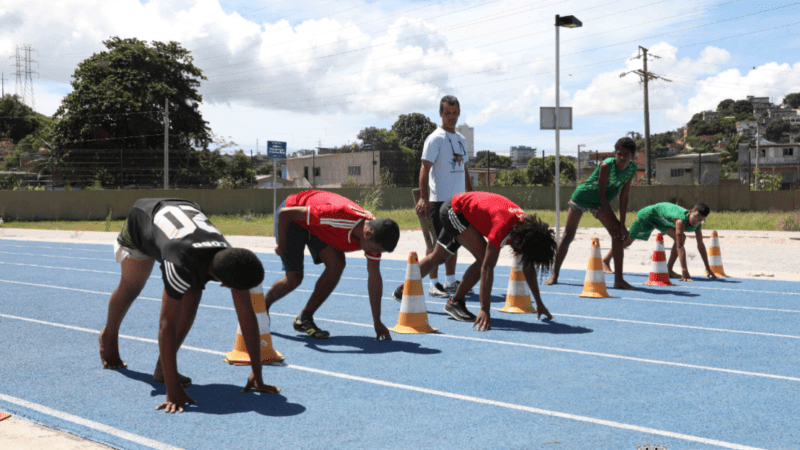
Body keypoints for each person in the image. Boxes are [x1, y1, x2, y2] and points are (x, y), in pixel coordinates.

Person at [98, 198, 279, 414]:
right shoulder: (179, 263)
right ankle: (108, 335)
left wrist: (257, 375)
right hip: (142, 221)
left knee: (192, 298)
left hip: (185, 226)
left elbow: (247, 317)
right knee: (131, 287)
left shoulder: (231, 258)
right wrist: (172, 390)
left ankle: (162, 370)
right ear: (223, 284)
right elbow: (166, 325)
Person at [394, 191, 556, 331]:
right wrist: (484, 309)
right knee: (482, 259)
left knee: (439, 257)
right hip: (455, 210)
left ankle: (404, 289)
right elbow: (487, 268)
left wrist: (539, 303)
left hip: (469, 213)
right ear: (522, 242)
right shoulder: (504, 226)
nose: (523, 256)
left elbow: (527, 267)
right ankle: (456, 301)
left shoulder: (527, 231)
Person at [266, 189, 400, 341]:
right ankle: (262, 308)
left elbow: (374, 276)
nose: (374, 253)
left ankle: (305, 318)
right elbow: (285, 213)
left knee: (336, 264)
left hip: (318, 225)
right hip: (293, 217)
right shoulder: (337, 216)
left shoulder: (373, 234)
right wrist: (282, 246)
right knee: (294, 279)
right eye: (374, 250)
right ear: (368, 233)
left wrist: (377, 321)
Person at [544, 137, 638, 289]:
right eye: (619, 153)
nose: (621, 157)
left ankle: (619, 280)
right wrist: (615, 221)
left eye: (626, 154)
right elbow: (601, 193)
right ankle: (555, 274)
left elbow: (624, 196)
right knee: (568, 236)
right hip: (584, 196)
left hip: (601, 203)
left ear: (632, 156)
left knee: (617, 235)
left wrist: (622, 224)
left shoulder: (632, 168)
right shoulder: (606, 165)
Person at [415, 95, 474, 298]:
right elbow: (424, 169)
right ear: (440, 113)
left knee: (453, 242)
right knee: (435, 244)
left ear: (459, 113)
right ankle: (433, 283)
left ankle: (450, 282)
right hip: (439, 201)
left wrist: (470, 195)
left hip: (458, 202)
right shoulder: (435, 138)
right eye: (447, 113)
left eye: (455, 113)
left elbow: (464, 169)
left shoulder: (460, 139)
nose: (451, 117)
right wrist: (423, 198)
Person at [602, 202, 716, 282]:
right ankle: (606, 260)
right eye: (695, 217)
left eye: (701, 220)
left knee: (681, 238)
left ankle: (668, 270)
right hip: (648, 215)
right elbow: (679, 246)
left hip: (662, 221)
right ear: (691, 212)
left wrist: (708, 267)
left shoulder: (697, 225)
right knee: (628, 241)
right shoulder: (680, 220)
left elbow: (700, 245)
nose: (697, 221)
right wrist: (684, 270)